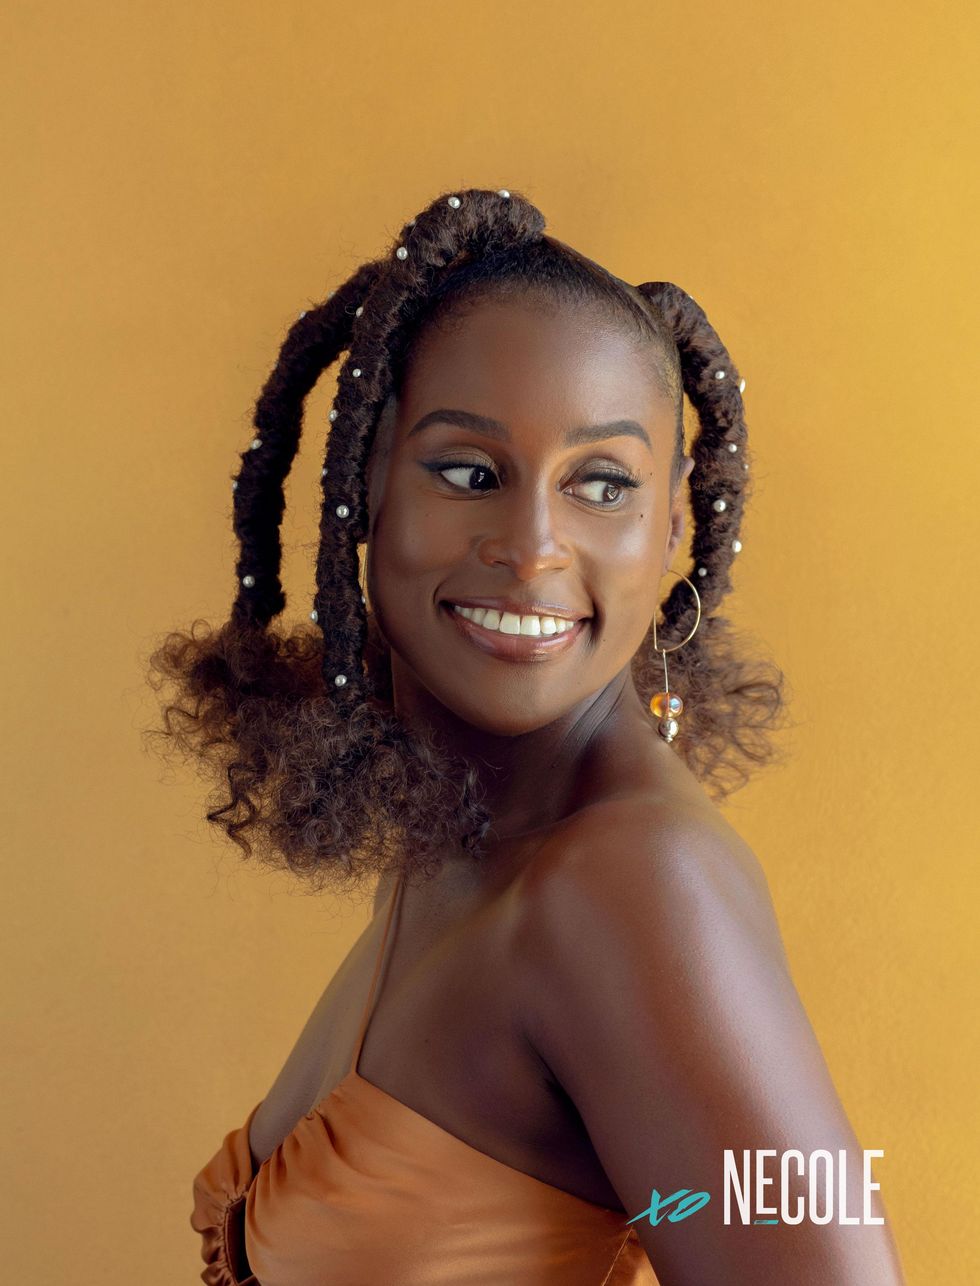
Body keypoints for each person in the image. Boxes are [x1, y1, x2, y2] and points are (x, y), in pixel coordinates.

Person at [148, 187, 906, 1283]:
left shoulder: (630, 882)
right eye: (468, 472)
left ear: (672, 520)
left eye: (600, 483)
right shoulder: (455, 835)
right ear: (363, 479)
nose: (534, 546)